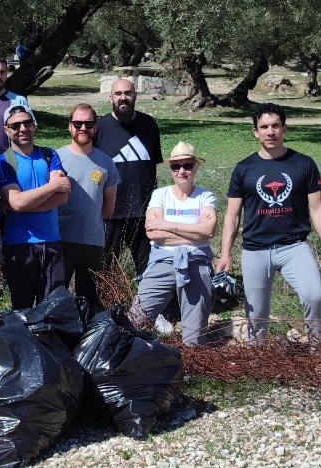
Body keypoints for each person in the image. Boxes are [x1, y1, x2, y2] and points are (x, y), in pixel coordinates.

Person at [216, 104, 321, 345]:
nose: (270, 132)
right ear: (255, 132)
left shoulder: (303, 164)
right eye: (264, 127)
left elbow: (317, 208)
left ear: (284, 128)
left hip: (294, 247)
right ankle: (259, 359)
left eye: (275, 126)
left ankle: (320, 350)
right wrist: (224, 254)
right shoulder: (243, 168)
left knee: (314, 295)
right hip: (255, 249)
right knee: (256, 315)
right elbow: (232, 215)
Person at [0, 104, 70, 310]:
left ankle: (46, 343)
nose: (23, 129)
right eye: (15, 125)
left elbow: (62, 198)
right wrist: (51, 187)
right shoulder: (2, 163)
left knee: (51, 309)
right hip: (20, 245)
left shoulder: (50, 155)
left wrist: (19, 205)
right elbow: (18, 201)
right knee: (22, 308)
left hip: (52, 242)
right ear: (6, 130)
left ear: (34, 125)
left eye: (27, 123)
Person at [131, 142, 215, 344]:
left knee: (194, 335)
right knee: (136, 319)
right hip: (162, 261)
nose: (182, 171)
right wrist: (195, 234)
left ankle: (190, 368)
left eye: (187, 165)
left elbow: (209, 231)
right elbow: (153, 233)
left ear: (196, 167)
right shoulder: (160, 194)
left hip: (196, 262)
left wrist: (167, 224)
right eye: (176, 166)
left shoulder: (205, 196)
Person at [55, 103, 120, 314]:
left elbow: (108, 208)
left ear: (96, 127)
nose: (83, 127)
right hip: (60, 240)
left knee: (89, 303)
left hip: (93, 243)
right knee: (57, 300)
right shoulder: (56, 158)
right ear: (69, 126)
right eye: (78, 123)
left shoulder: (106, 163)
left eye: (89, 123)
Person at [95, 78, 163, 279]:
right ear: (110, 98)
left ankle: (147, 309)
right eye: (118, 94)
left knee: (148, 270)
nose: (123, 97)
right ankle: (105, 307)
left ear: (135, 96)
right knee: (105, 270)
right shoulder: (100, 127)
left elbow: (152, 165)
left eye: (127, 93)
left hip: (144, 211)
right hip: (110, 212)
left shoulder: (149, 124)